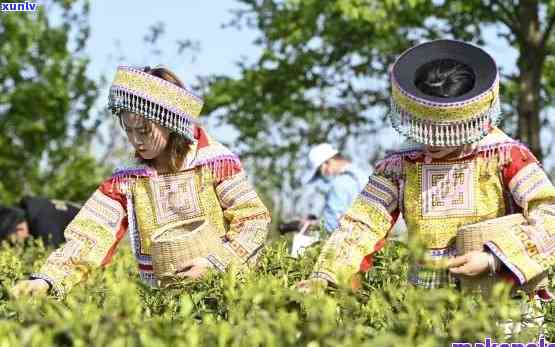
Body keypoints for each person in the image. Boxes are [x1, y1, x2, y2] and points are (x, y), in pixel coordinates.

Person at [297, 40, 555, 331]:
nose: (431, 142)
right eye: (424, 129)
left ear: (468, 122)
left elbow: (549, 217)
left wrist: (492, 259)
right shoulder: (400, 166)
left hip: (503, 306)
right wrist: (325, 277)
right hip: (429, 309)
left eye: (443, 132)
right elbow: (361, 224)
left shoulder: (506, 156)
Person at [12, 66, 271, 297]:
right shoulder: (127, 180)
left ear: (171, 123)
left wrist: (214, 264)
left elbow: (253, 220)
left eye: (145, 131)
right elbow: (91, 234)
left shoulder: (214, 162)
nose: (136, 140)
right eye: (129, 130)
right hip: (163, 299)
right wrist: (46, 280)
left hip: (227, 289)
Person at [304, 143, 367, 233]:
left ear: (326, 163)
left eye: (319, 173)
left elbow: (331, 226)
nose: (321, 178)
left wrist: (306, 225)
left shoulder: (339, 184)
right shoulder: (363, 173)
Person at [0, 197, 80, 247]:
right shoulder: (33, 207)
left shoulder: (44, 227)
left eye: (11, 242)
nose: (14, 245)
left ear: (19, 228)